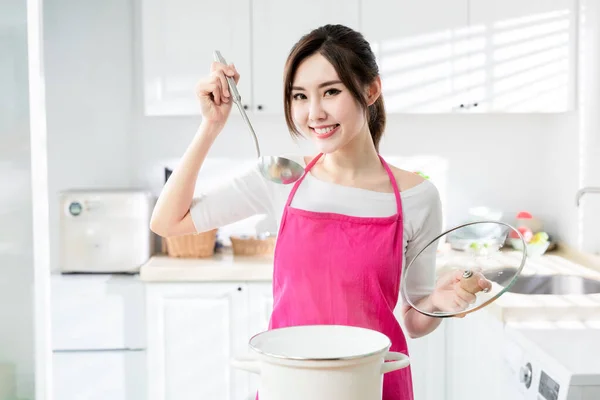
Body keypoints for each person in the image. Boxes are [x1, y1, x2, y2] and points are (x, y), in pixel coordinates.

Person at [150, 24, 491, 400]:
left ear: (371, 89)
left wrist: (439, 304)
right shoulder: (281, 175)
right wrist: (210, 125)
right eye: (300, 96)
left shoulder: (418, 197)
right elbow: (168, 222)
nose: (314, 113)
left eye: (331, 91)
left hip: (373, 386)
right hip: (291, 385)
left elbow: (413, 320)